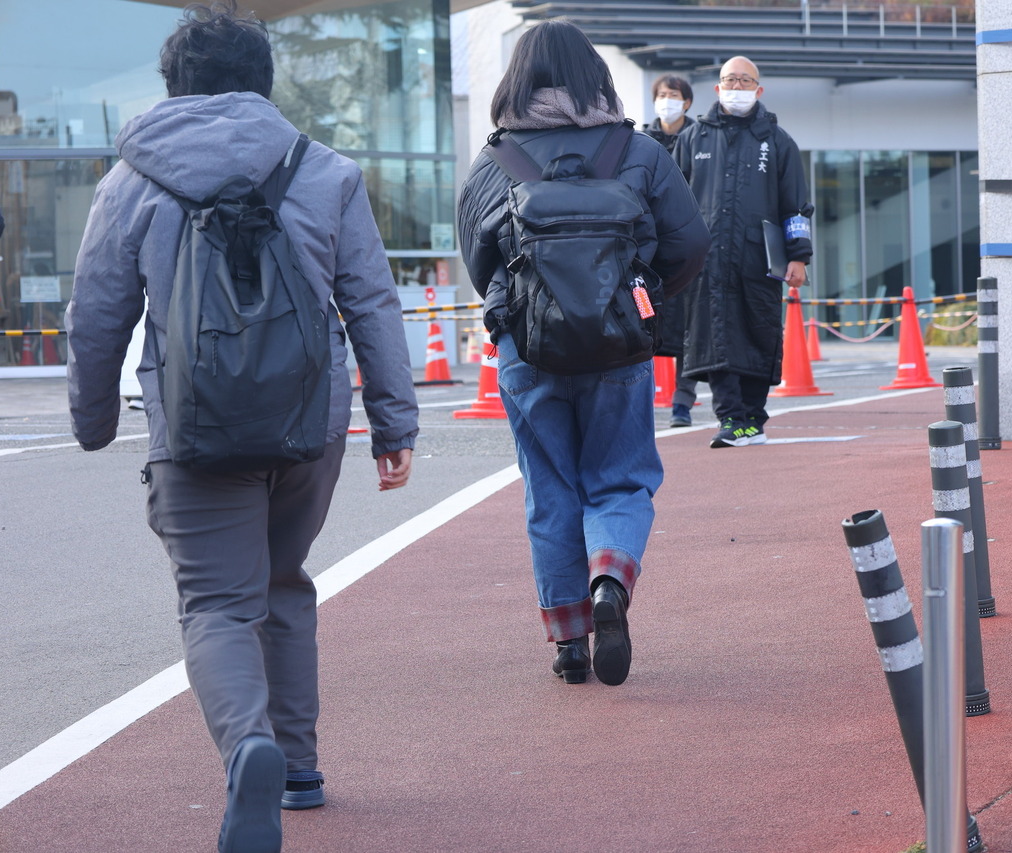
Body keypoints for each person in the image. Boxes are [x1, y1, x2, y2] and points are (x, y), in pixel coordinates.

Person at [65, 3, 419, 851]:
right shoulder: (325, 170)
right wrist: (394, 422)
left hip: (194, 427)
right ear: (264, 83)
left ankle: (247, 745)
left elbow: (96, 316)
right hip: (310, 425)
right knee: (284, 582)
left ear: (173, 86)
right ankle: (298, 767)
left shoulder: (130, 181)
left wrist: (93, 419)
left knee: (219, 605)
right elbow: (371, 301)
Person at [457, 20, 708, 687]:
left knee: (549, 488)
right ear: (596, 76)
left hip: (527, 348)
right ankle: (609, 584)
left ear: (518, 80)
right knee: (619, 477)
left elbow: (479, 263)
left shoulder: (495, 160)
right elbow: (690, 244)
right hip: (618, 345)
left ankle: (570, 642)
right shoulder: (638, 150)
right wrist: (638, 296)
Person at [673, 56, 813, 448]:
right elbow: (672, 200)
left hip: (759, 260)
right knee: (714, 335)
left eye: (744, 81)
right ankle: (731, 418)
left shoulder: (777, 141)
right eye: (730, 80)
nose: (736, 87)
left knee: (758, 332)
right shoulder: (693, 138)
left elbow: (796, 205)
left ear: (758, 89)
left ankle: (753, 418)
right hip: (707, 261)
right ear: (717, 87)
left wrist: (799, 256)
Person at [642, 73, 701, 428]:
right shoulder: (640, 141)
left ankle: (683, 402)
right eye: (662, 94)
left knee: (689, 327)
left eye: (674, 95)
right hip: (648, 248)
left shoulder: (700, 138)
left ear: (687, 102)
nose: (667, 100)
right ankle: (640, 399)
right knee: (642, 321)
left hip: (685, 244)